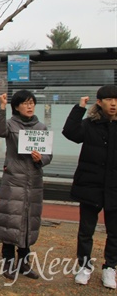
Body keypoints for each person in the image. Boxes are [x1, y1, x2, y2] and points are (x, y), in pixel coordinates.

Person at [0, 91, 53, 281]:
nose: (29, 106)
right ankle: (8, 262)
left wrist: (40, 159)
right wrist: (1, 108)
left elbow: (48, 154)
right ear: (17, 106)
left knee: (29, 222)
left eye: (32, 103)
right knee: (11, 221)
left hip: (34, 181)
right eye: (25, 103)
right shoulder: (11, 125)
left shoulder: (41, 127)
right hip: (13, 180)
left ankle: (24, 263)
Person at [62, 85, 117, 289]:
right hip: (90, 187)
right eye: (109, 100)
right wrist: (79, 108)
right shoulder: (90, 124)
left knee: (115, 232)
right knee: (86, 230)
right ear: (99, 102)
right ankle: (84, 266)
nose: (113, 104)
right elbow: (70, 132)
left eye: (116, 100)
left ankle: (110, 267)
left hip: (114, 188)